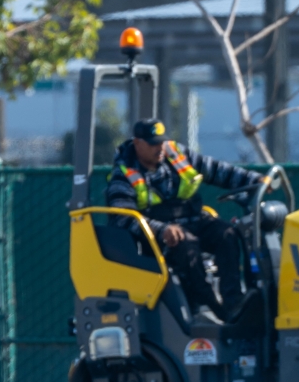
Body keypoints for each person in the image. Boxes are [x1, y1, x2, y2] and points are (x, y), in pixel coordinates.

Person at [106, 118, 264, 321]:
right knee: (187, 246)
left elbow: (216, 170)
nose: (159, 148)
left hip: (194, 220)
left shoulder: (176, 153)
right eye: (153, 143)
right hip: (158, 239)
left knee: (227, 234)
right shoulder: (124, 174)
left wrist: (254, 180)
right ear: (137, 143)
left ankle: (233, 302)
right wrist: (161, 230)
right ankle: (212, 304)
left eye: (161, 142)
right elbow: (122, 217)